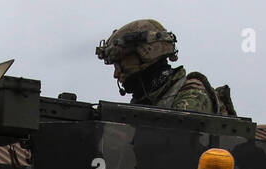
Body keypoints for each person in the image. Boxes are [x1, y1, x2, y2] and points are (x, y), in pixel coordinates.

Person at [95, 19, 234, 115]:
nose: (116, 74)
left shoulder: (193, 93)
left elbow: (174, 142)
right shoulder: (149, 99)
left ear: (147, 53)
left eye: (121, 64)